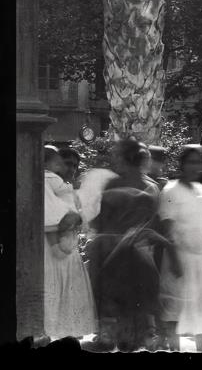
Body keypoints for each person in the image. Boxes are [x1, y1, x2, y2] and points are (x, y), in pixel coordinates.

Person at [158, 145, 202, 352]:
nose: (196, 167)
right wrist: (175, 261)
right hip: (178, 259)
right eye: (191, 161)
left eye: (200, 162)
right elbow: (167, 230)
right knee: (175, 312)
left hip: (200, 261)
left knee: (201, 310)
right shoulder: (171, 190)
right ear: (181, 164)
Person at [87, 186, 171, 351]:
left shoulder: (133, 236)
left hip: (124, 287)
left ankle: (116, 338)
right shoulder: (134, 235)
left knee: (116, 307)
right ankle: (122, 337)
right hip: (126, 288)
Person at [43, 146, 97, 342]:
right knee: (52, 296)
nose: (71, 169)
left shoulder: (66, 190)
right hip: (50, 251)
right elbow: (55, 220)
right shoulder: (48, 183)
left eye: (75, 165)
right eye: (67, 164)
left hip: (68, 251)